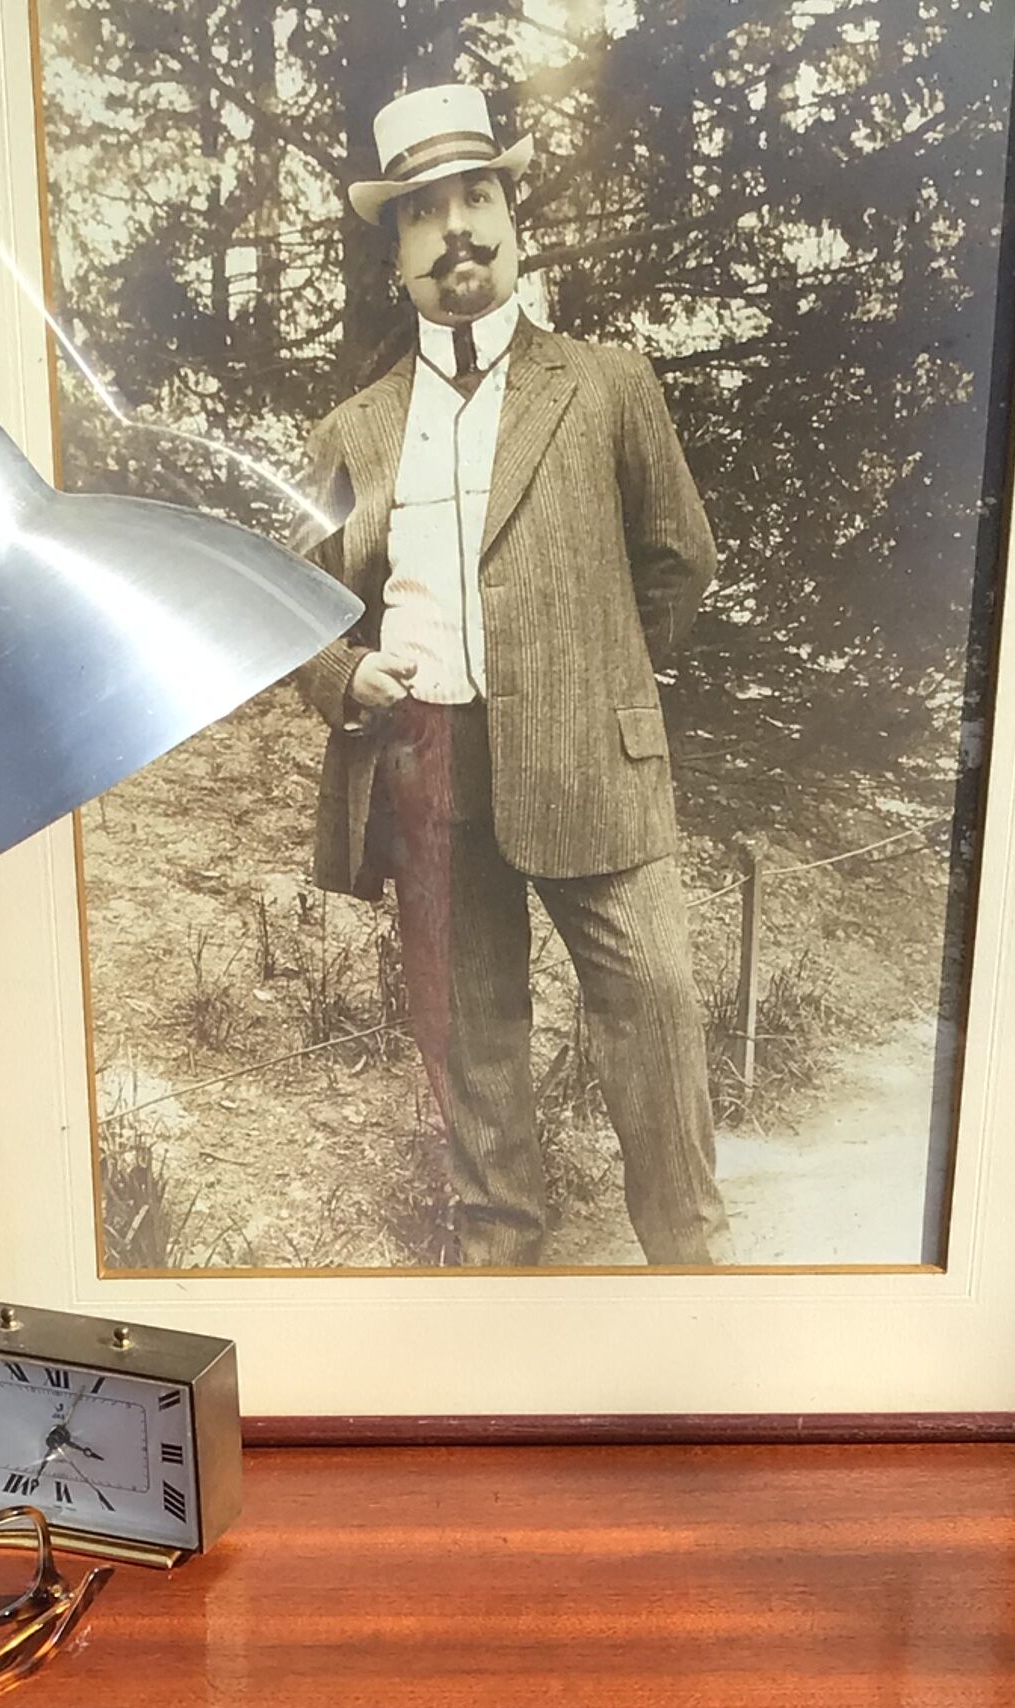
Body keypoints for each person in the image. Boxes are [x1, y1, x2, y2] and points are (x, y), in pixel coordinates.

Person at [296, 82, 733, 1267]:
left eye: (476, 197)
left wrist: (602, 677)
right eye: (423, 212)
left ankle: (694, 1272)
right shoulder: (356, 428)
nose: (457, 231)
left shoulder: (606, 384)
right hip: (427, 757)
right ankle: (503, 1264)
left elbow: (679, 560)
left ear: (513, 217)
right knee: (469, 1025)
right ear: (395, 253)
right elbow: (300, 599)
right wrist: (348, 672)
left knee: (651, 1008)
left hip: (593, 752)